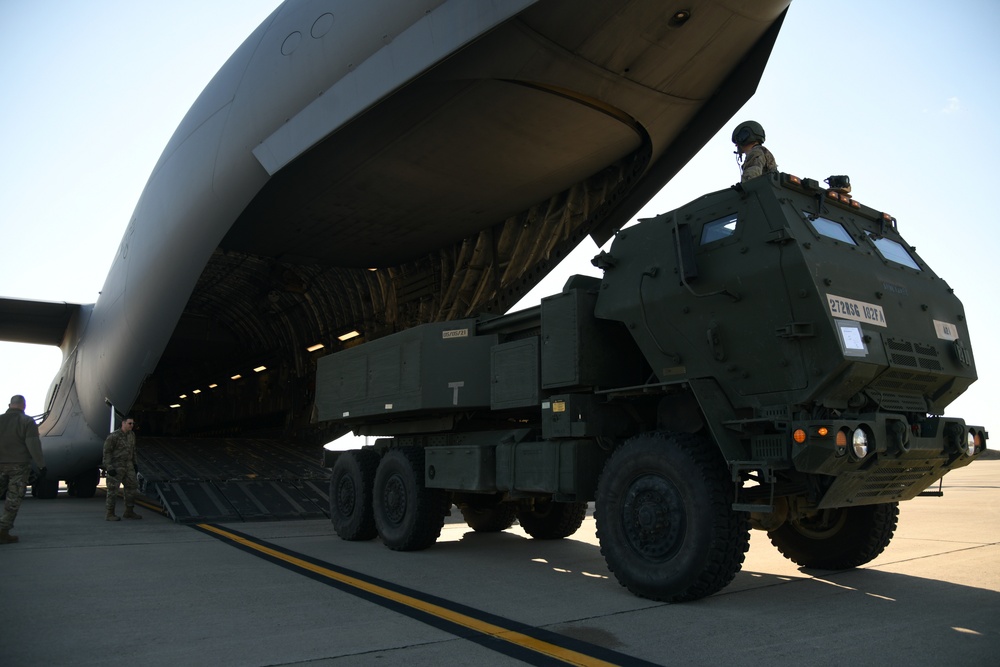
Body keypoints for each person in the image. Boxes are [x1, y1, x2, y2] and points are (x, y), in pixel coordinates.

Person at [0, 395, 47, 544]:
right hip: (19, 466)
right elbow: (33, 444)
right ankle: (3, 531)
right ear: (24, 406)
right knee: (13, 500)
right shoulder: (27, 421)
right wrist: (41, 465)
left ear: (9, 405)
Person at [103, 416, 142, 521]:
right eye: (130, 423)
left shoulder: (132, 435)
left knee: (132, 487)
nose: (132, 426)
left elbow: (133, 450)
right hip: (116, 466)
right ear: (123, 423)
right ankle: (110, 513)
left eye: (133, 424)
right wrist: (109, 467)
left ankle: (129, 511)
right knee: (113, 490)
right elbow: (107, 453)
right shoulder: (113, 436)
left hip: (128, 466)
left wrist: (135, 463)